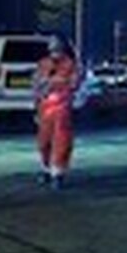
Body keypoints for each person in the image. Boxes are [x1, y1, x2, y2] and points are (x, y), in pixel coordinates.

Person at [34, 36, 79, 190]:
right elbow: (36, 85)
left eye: (56, 43)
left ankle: (57, 173)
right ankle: (46, 169)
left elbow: (75, 83)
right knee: (43, 142)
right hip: (44, 107)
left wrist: (54, 83)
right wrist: (36, 104)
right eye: (51, 44)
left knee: (61, 141)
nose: (53, 46)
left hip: (62, 106)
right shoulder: (43, 64)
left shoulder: (70, 64)